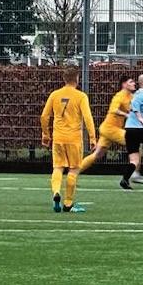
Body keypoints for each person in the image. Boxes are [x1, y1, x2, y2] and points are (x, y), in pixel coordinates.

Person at [41, 65, 95, 213]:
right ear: (77, 79)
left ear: (64, 79)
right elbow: (88, 118)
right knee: (74, 169)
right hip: (74, 139)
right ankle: (68, 203)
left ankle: (56, 192)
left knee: (58, 168)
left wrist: (46, 134)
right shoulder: (81, 96)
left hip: (58, 138)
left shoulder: (55, 95)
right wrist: (92, 138)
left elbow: (44, 116)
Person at [82, 74, 143, 190]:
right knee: (136, 143)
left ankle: (73, 173)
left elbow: (136, 107)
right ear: (124, 84)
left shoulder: (131, 96)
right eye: (131, 82)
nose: (134, 84)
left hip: (109, 129)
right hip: (110, 129)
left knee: (97, 155)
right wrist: (127, 115)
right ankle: (135, 174)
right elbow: (114, 110)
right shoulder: (119, 96)